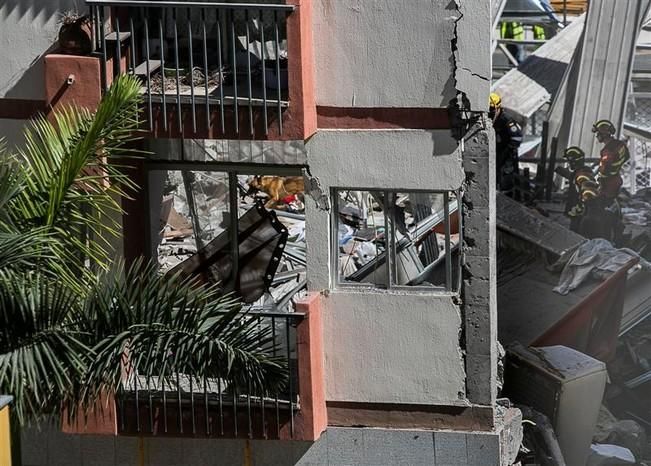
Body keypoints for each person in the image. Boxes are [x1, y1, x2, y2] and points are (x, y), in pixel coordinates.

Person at [592, 119, 629, 244]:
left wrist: (599, 182)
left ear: (604, 134)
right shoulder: (619, 145)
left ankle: (608, 239)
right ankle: (618, 231)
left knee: (604, 210)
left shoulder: (607, 151)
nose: (597, 136)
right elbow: (623, 158)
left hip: (609, 183)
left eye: (598, 134)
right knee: (613, 206)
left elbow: (605, 168)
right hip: (616, 180)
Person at [490, 92, 523, 197]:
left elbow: (517, 137)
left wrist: (508, 150)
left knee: (505, 174)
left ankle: (508, 197)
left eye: (491, 110)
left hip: (506, 153)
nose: (489, 113)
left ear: (498, 108)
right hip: (497, 151)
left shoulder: (506, 120)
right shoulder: (491, 119)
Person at [562, 146, 596, 233]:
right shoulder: (578, 173)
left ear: (573, 162)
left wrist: (579, 208)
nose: (568, 164)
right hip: (578, 214)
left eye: (569, 161)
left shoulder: (582, 174)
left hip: (580, 215)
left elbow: (589, 193)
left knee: (576, 236)